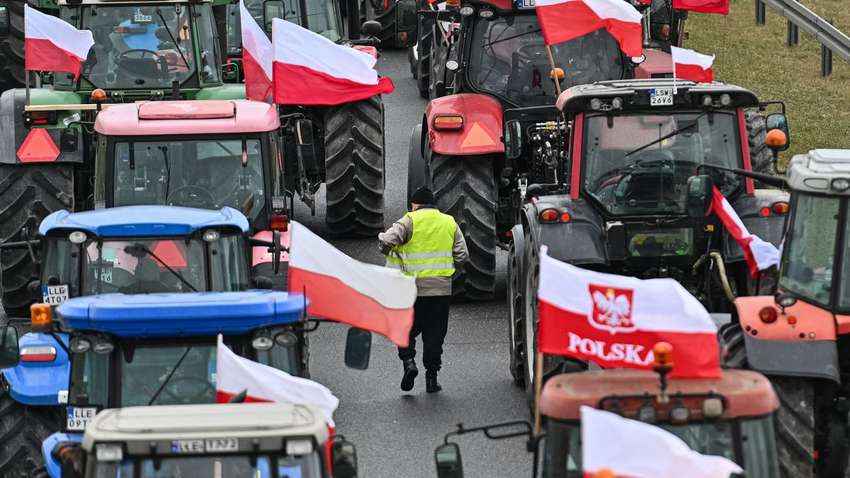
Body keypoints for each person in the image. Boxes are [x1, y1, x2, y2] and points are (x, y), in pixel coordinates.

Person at [378, 187, 468, 393]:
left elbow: (385, 241)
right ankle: (431, 379)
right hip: (441, 291)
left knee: (405, 329)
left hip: (412, 291)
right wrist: (449, 274)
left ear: (414, 204)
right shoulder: (449, 222)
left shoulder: (410, 220)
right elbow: (463, 256)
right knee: (435, 335)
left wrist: (388, 251)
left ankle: (409, 362)